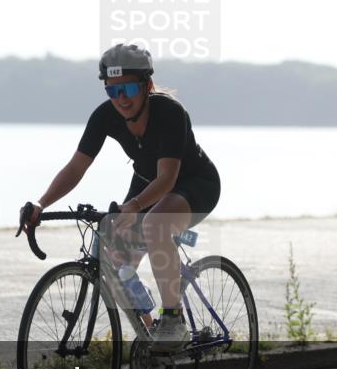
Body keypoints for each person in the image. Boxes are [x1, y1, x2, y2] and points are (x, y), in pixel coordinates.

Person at [21, 43, 220, 352]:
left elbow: (167, 178)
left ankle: (174, 320)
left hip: (194, 184)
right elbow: (76, 167)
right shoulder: (105, 116)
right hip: (146, 185)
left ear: (147, 86)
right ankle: (150, 332)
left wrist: (135, 206)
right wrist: (41, 203)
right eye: (112, 91)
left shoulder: (170, 112)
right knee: (115, 260)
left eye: (128, 89)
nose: (121, 99)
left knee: (155, 225)